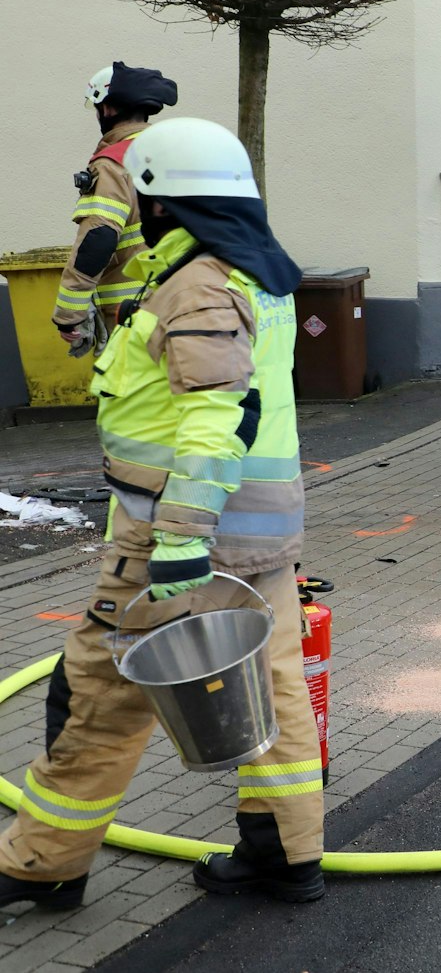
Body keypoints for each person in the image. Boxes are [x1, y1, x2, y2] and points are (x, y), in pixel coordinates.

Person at [0, 117, 323, 909]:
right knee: (272, 692)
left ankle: (43, 863)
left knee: (97, 700)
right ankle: (285, 855)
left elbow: (215, 415)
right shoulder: (256, 271)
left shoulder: (197, 285)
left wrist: (179, 538)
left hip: (177, 539)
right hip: (258, 532)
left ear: (161, 201)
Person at [53, 63, 179, 358]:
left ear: (108, 109)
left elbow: (98, 239)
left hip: (134, 314)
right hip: (187, 301)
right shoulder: (179, 154)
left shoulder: (113, 163)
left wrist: (69, 313)